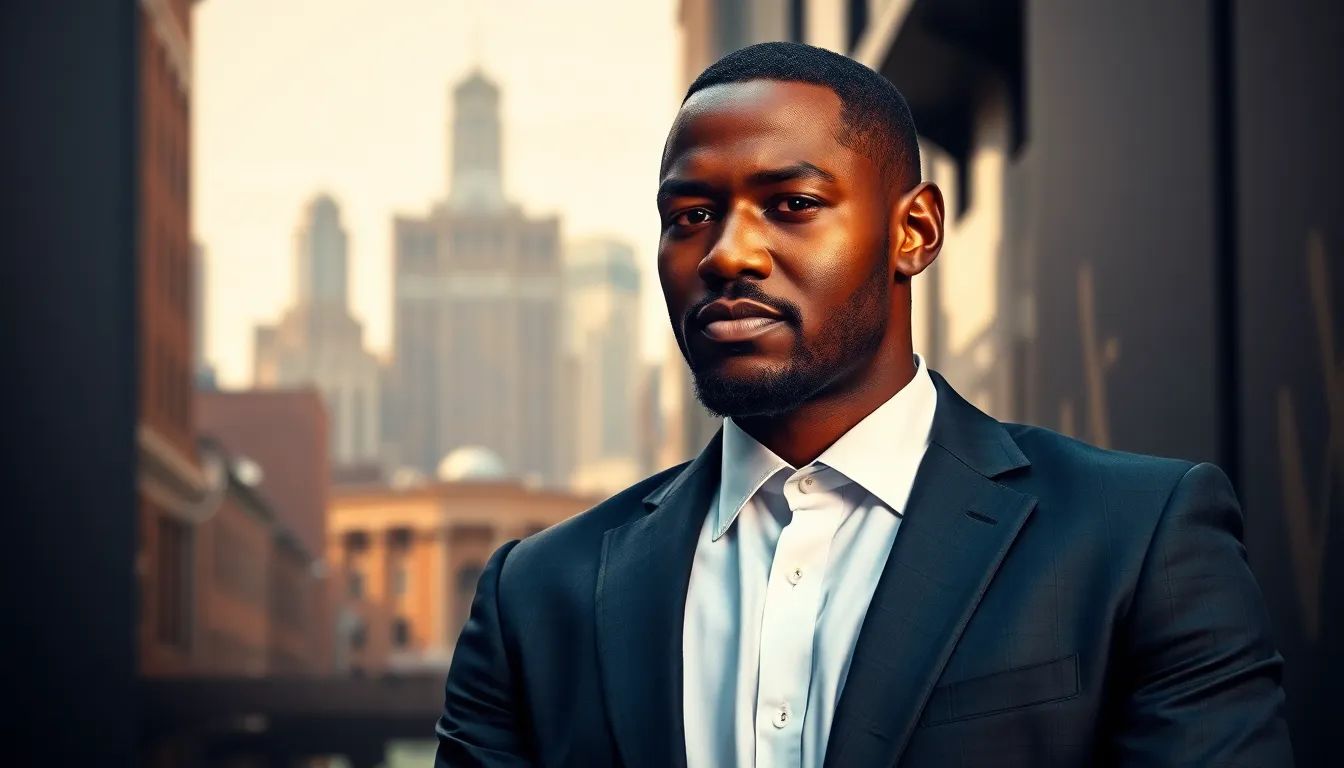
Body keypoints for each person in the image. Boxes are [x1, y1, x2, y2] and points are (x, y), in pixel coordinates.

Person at [434, 41, 1292, 767]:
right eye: (691, 214)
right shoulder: (536, 599)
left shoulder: (1139, 541)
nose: (728, 253)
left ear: (913, 231)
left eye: (792, 205)